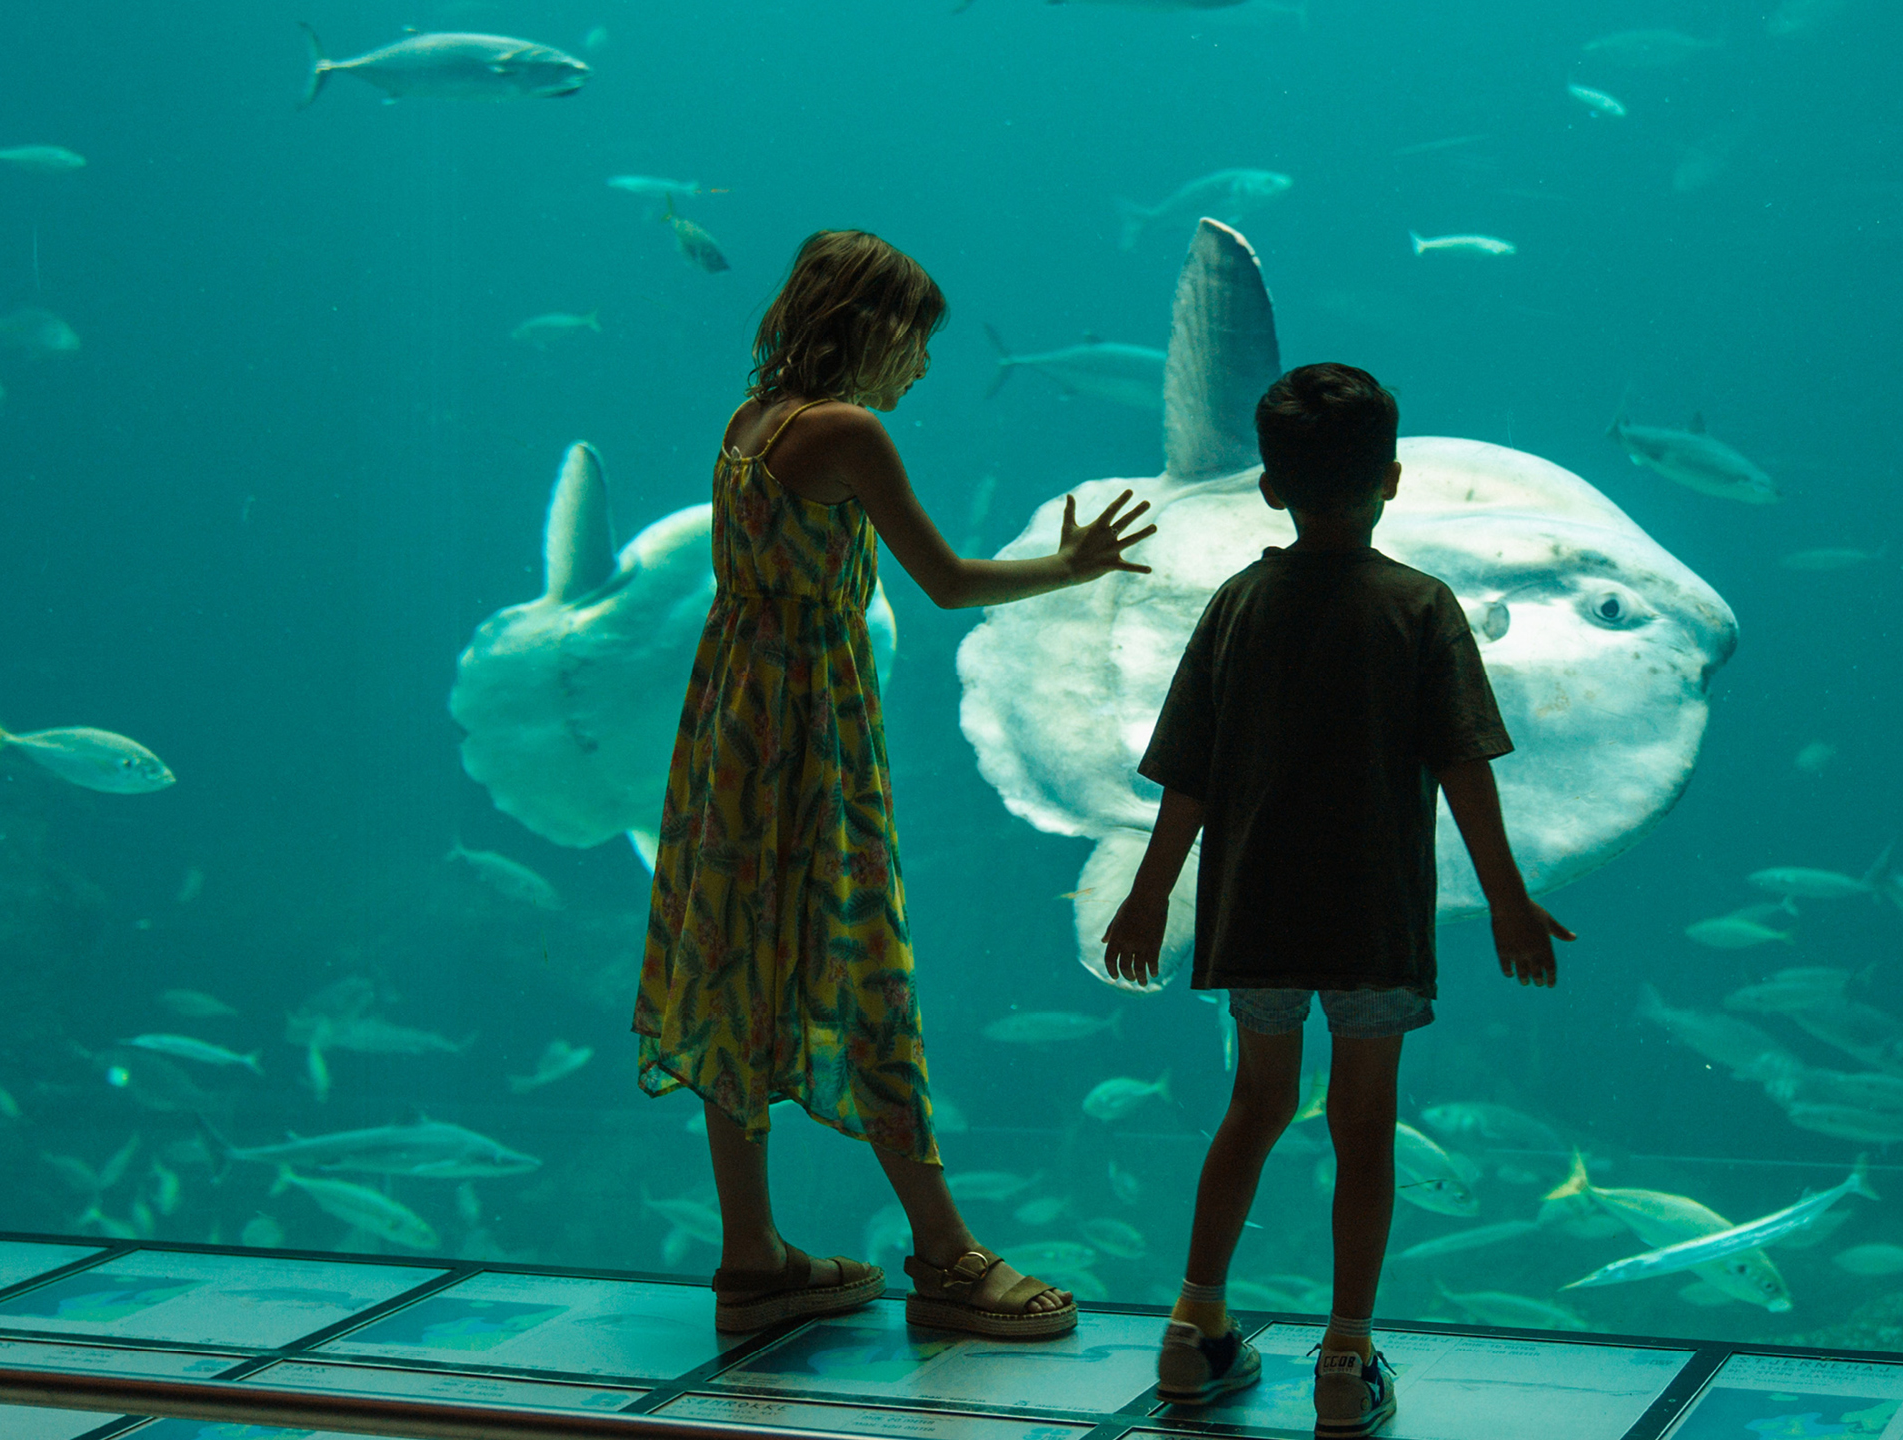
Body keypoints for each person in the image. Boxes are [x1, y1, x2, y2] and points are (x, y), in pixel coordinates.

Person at [636, 230, 1157, 1338]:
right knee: (862, 964)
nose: (921, 368)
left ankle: (751, 1260)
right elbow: (948, 580)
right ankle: (947, 1254)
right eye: (916, 341)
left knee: (737, 969)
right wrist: (1074, 565)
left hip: (733, 724)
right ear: (870, 328)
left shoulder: (752, 420)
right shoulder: (844, 431)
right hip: (807, 736)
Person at [1100, 363, 1572, 1436]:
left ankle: (1191, 1330)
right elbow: (1464, 769)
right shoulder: (1419, 608)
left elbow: (1190, 776)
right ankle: (1344, 1361)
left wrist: (1147, 898)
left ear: (1268, 486)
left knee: (1253, 1109)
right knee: (1365, 1128)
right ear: (1392, 481)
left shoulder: (1237, 604)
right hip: (1373, 922)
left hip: (1255, 914)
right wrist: (1507, 898)